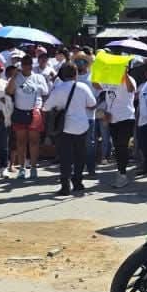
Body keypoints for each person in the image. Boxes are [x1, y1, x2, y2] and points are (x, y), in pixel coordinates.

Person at [43, 64, 97, 195]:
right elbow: (92, 104)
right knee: (80, 155)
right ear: (76, 74)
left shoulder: (58, 89)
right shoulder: (83, 87)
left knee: (65, 157)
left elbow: (46, 107)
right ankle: (78, 182)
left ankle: (65, 185)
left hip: (64, 127)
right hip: (81, 125)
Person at [6, 54, 49, 180]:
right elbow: (9, 91)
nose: (27, 66)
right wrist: (13, 76)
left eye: (29, 63)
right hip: (20, 111)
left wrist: (36, 87)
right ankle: (22, 168)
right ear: (21, 65)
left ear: (32, 64)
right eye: (24, 63)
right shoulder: (17, 77)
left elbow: (46, 91)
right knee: (21, 142)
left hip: (34, 111)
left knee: (34, 141)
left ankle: (34, 167)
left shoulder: (38, 77)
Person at [101, 67, 138, 187]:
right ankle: (121, 171)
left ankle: (122, 174)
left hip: (126, 118)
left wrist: (125, 74)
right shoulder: (110, 80)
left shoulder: (130, 79)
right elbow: (96, 86)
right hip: (112, 118)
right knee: (117, 147)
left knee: (122, 146)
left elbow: (131, 89)